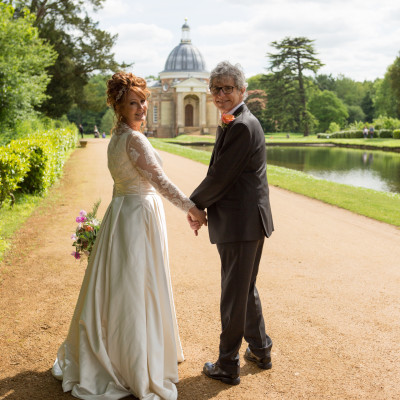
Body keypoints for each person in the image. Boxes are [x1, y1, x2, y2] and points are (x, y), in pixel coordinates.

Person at [51, 71, 207, 400]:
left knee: (122, 285)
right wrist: (192, 209)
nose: (141, 108)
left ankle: (125, 348)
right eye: (133, 103)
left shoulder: (117, 137)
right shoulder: (133, 139)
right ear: (119, 107)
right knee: (138, 285)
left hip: (123, 213)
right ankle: (135, 359)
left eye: (143, 102)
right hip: (137, 217)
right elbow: (161, 181)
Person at [188, 61, 274, 385]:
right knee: (244, 288)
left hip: (241, 224)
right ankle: (261, 348)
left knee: (233, 295)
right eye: (216, 89)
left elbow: (220, 176)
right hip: (246, 222)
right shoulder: (237, 121)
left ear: (242, 90)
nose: (221, 94)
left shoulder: (240, 125)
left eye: (227, 88)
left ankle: (227, 365)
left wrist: (194, 205)